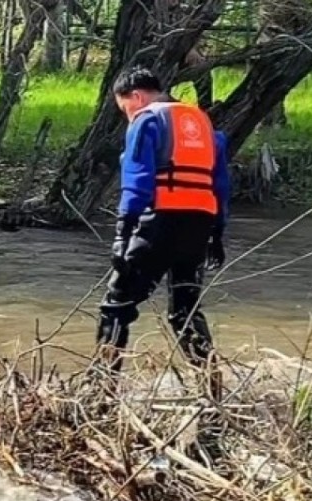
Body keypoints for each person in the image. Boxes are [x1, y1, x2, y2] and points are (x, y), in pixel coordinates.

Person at [94, 67, 231, 383]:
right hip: (199, 226)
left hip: (161, 222)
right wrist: (217, 234)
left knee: (116, 305)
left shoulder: (148, 120)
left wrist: (122, 234)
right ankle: (212, 391)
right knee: (185, 310)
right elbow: (221, 184)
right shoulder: (203, 122)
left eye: (124, 107)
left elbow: (137, 181)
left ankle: (101, 393)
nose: (127, 115)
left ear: (137, 97)